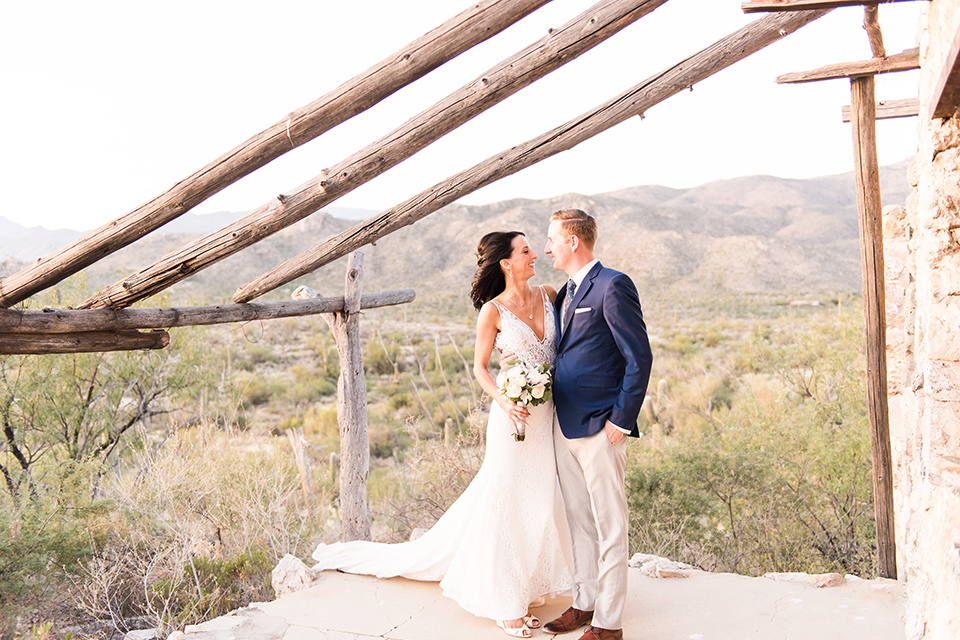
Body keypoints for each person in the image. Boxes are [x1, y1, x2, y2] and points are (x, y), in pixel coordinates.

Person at [312, 230, 573, 638]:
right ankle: (505, 601)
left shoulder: (551, 294)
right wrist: (506, 401)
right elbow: (480, 369)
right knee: (504, 498)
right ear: (506, 262)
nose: (534, 254)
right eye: (525, 250)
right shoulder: (493, 311)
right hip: (512, 419)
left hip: (547, 418)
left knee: (537, 497)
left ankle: (529, 583)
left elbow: (569, 346)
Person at [541, 209, 653, 640]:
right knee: (578, 521)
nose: (547, 247)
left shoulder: (613, 284)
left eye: (551, 239)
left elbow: (638, 357)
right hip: (563, 423)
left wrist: (621, 420)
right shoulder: (562, 294)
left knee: (610, 524)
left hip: (602, 426)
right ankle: (584, 603)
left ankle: (609, 624)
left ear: (573, 241)